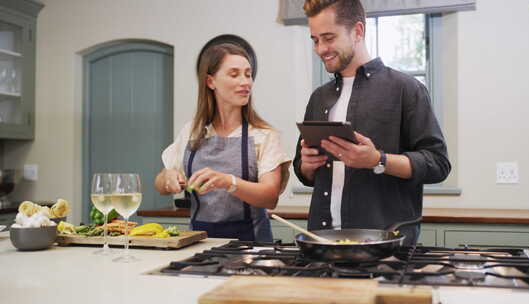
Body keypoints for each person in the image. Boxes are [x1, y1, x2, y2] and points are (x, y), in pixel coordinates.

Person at [293, 0, 451, 246]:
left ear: (358, 31)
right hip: (321, 244)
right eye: (315, 40)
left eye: (328, 38)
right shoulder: (319, 97)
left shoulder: (406, 89)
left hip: (385, 249)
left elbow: (438, 164)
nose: (320, 49)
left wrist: (378, 160)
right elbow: (303, 172)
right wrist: (307, 165)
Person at [156, 43, 291, 242]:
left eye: (248, 74)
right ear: (211, 82)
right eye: (234, 74)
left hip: (250, 246)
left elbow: (269, 197)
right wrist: (168, 177)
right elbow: (160, 183)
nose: (245, 82)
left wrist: (228, 182)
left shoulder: (264, 135)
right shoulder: (192, 131)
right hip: (198, 244)